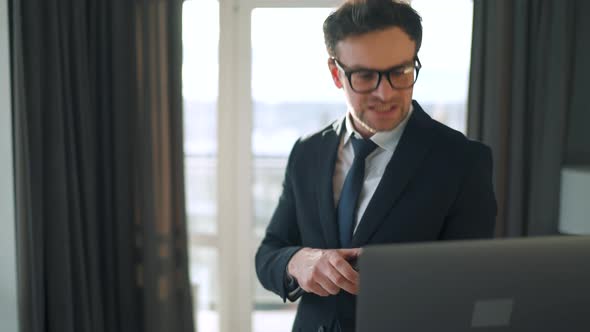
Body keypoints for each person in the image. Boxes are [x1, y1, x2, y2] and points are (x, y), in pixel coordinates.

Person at [255, 0, 497, 331]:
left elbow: (476, 283)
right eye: (365, 76)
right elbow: (269, 253)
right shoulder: (306, 153)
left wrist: (398, 275)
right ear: (335, 73)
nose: (385, 93)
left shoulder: (463, 161)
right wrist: (298, 261)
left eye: (400, 71)